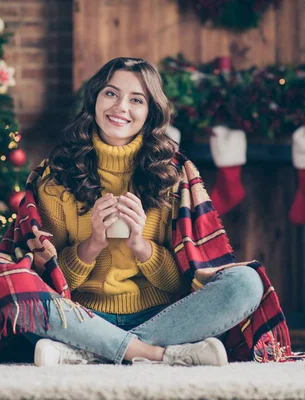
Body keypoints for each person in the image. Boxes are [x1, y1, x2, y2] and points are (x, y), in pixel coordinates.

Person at [23, 57, 265, 366]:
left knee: (246, 283)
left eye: (136, 100)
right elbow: (49, 279)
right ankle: (154, 354)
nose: (120, 107)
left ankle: (90, 351)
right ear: (95, 98)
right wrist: (93, 243)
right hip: (83, 315)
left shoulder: (173, 175)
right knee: (18, 295)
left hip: (162, 316)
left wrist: (140, 245)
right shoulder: (55, 177)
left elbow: (183, 282)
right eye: (111, 93)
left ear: (150, 112)